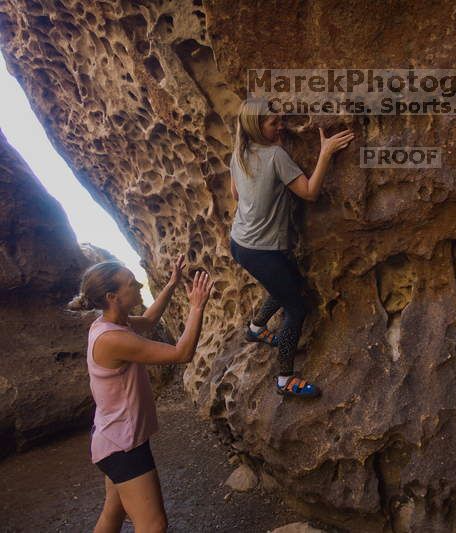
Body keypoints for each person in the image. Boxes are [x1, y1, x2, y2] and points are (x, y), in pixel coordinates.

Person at [69, 255, 212, 533]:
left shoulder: (112, 323)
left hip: (113, 439)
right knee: (154, 525)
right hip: (123, 445)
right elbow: (181, 353)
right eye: (131, 284)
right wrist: (196, 307)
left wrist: (171, 284)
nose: (138, 286)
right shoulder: (112, 339)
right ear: (113, 296)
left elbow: (148, 318)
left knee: (113, 512)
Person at [229, 98, 354, 398]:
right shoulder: (275, 156)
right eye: (274, 123)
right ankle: (285, 378)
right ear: (256, 127)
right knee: (296, 308)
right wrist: (325, 153)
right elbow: (310, 193)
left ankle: (257, 329)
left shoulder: (240, 153)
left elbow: (235, 193)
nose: (281, 126)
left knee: (290, 282)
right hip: (261, 250)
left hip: (240, 242)